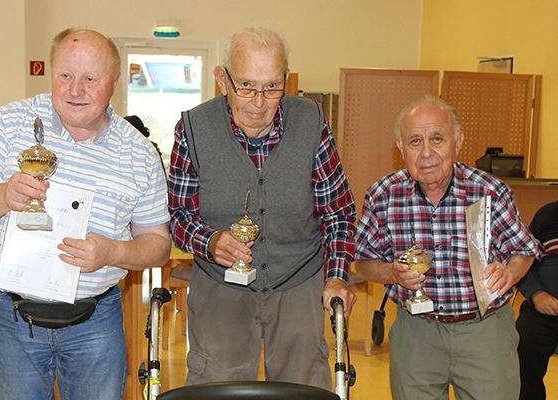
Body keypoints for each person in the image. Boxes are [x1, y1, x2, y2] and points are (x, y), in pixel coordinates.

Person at [0, 29, 171, 400]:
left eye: (91, 78)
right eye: (65, 76)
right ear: (51, 73)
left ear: (114, 82)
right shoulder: (9, 123)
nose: (75, 90)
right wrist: (2, 195)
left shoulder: (139, 153)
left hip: (96, 321)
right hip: (10, 316)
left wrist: (113, 253)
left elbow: (158, 246)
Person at [168, 26, 357, 389]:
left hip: (299, 282)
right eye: (246, 86)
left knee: (303, 390)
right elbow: (177, 215)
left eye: (272, 87)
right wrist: (209, 242)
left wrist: (336, 277)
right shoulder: (192, 128)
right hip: (220, 287)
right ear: (222, 80)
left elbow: (338, 214)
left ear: (286, 80)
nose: (259, 102)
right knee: (215, 389)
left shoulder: (313, 123)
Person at [354, 95, 540, 400]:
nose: (427, 153)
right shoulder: (383, 195)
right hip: (416, 333)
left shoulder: (489, 191)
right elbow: (362, 261)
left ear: (457, 141)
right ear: (400, 147)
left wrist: (510, 272)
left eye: (437, 139)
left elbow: (525, 250)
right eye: (415, 141)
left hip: (485, 331)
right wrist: (393, 273)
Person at [516, 200, 558, 400]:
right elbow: (525, 260)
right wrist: (536, 293)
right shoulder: (547, 215)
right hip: (545, 305)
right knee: (523, 340)